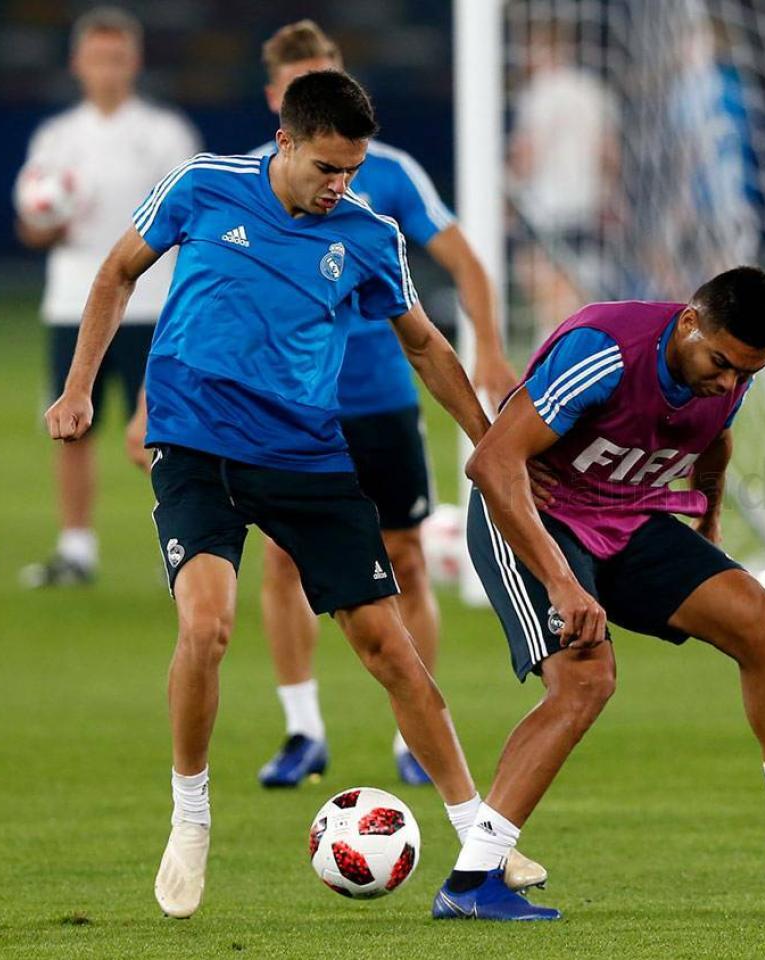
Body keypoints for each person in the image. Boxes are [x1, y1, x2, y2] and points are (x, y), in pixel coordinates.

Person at [46, 70, 501, 920]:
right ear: (285, 142)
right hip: (195, 446)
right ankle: (190, 818)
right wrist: (79, 389)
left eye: (352, 170)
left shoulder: (368, 233)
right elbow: (115, 274)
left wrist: (489, 440)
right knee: (207, 626)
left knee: (390, 649)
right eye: (328, 167)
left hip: (305, 456)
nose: (341, 186)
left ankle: (481, 837)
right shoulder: (202, 185)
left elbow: (427, 346)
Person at [435, 268, 765, 920]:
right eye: (721, 363)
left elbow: (715, 440)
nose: (729, 382)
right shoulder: (606, 349)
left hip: (624, 518)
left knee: (764, 620)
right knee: (585, 679)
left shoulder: (727, 375)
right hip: (529, 518)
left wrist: (709, 523)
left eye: (748, 372)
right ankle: (473, 880)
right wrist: (561, 582)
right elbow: (492, 462)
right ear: (690, 322)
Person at [241, 20, 520, 805]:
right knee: (283, 559)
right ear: (278, 100)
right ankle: (302, 729)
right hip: (292, 408)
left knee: (405, 561)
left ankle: (411, 736)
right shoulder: (247, 182)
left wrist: (489, 350)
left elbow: (463, 260)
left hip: (382, 399)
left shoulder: (387, 174)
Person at [15, 5, 198, 587]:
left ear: (134, 62)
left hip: (154, 305)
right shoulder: (56, 138)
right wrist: (47, 223)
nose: (107, 69)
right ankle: (76, 550)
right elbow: (31, 227)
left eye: (117, 58)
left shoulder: (166, 134)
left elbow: (194, 219)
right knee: (71, 426)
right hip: (73, 302)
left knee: (162, 436)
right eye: (97, 58)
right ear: (77, 63)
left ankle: (186, 546)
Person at [509, 20, 621, 332]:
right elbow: (609, 153)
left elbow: (528, 152)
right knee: (575, 281)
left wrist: (509, 189)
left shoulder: (537, 92)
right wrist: (609, 196)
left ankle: (556, 337)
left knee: (535, 274)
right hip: (586, 202)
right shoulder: (593, 90)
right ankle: (574, 335)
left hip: (545, 204)